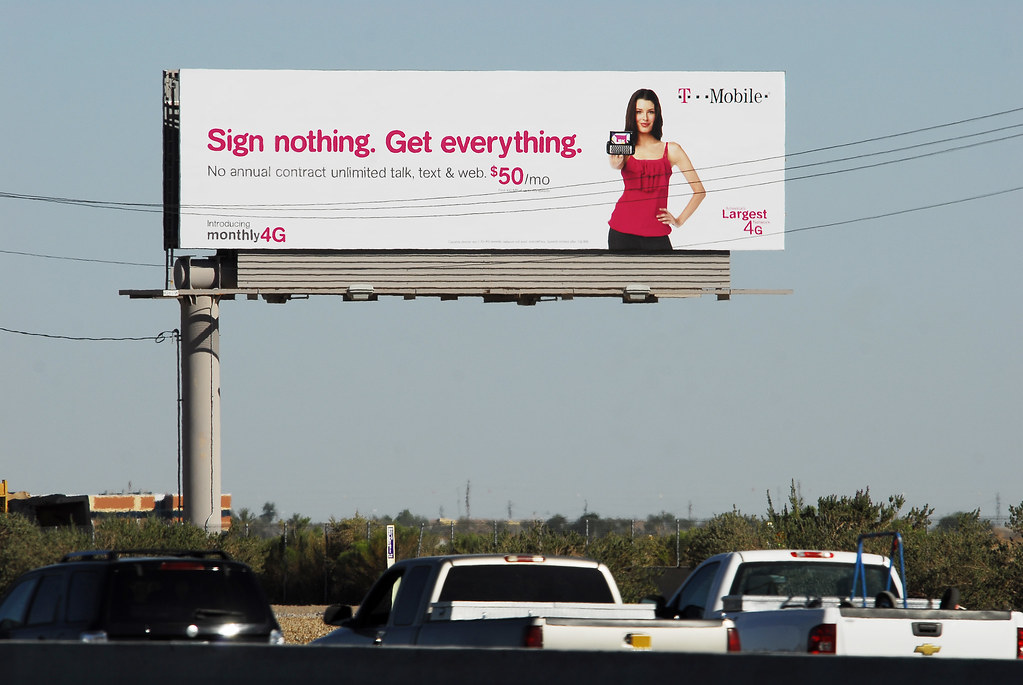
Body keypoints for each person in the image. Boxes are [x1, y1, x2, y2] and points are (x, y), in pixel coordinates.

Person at [607, 88, 706, 251]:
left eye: (650, 112)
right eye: (639, 112)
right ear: (632, 114)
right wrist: (614, 162)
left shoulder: (672, 150)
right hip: (621, 232)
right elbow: (615, 165)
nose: (644, 118)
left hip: (657, 235)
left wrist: (678, 221)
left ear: (657, 115)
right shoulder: (625, 148)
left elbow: (700, 192)